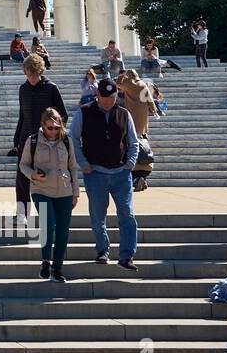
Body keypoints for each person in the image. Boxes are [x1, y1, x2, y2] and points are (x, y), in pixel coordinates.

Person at [71, 79, 140, 269]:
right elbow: (74, 138)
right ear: (98, 95)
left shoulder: (124, 114)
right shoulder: (84, 112)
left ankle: (126, 256)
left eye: (112, 97)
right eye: (105, 98)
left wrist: (130, 163)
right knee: (97, 215)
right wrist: (83, 163)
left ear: (116, 95)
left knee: (127, 213)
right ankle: (102, 250)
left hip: (121, 173)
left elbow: (134, 142)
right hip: (95, 173)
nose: (109, 101)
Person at [18, 107, 80, 282]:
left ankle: (57, 268)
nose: (53, 131)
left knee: (63, 231)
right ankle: (46, 261)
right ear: (42, 126)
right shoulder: (33, 141)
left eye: (56, 127)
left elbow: (73, 167)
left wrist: (76, 192)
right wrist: (33, 175)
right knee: (48, 223)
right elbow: (23, 165)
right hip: (41, 190)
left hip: (64, 190)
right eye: (49, 128)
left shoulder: (67, 140)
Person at [12, 54, 68, 220]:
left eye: (33, 75)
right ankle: (22, 213)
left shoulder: (51, 88)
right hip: (26, 138)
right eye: (28, 75)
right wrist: (17, 139)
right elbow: (22, 116)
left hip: (46, 139)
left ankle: (50, 212)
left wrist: (54, 133)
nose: (31, 78)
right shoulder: (23, 89)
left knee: (46, 175)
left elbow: (63, 115)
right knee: (22, 176)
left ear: (40, 71)